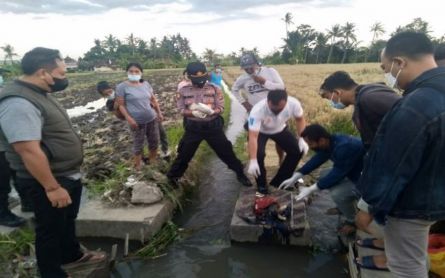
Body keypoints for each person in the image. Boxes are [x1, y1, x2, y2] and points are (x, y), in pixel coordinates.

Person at [0, 47, 106, 277]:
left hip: (65, 174)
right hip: (48, 180)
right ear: (43, 73)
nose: (64, 77)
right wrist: (52, 187)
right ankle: (51, 272)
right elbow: (27, 150)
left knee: (66, 221)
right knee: (49, 230)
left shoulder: (40, 93)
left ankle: (72, 256)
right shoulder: (18, 102)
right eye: (62, 73)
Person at [358, 31, 445, 278]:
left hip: (415, 202)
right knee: (415, 255)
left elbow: (393, 167)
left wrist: (369, 206)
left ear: (400, 62)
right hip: (436, 193)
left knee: (406, 266)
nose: (388, 75)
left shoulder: (416, 105)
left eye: (386, 68)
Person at [319, 68, 401, 270]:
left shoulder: (368, 101)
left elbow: (407, 126)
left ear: (337, 92)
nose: (330, 101)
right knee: (384, 215)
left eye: (328, 96)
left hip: (397, 166)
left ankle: (393, 259)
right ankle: (385, 244)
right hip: (389, 163)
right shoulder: (369, 93)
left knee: (392, 216)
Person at [167, 62, 251, 187]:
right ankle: (173, 177)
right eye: (197, 79)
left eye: (202, 77)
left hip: (213, 127)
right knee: (184, 154)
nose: (200, 81)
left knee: (226, 152)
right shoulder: (183, 90)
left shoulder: (214, 88)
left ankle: (240, 173)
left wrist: (213, 112)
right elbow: (180, 109)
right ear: (189, 77)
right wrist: (192, 113)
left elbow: (221, 107)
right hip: (193, 128)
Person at [280, 124, 364, 233]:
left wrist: (311, 189)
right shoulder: (332, 142)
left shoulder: (345, 147)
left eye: (310, 143)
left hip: (366, 180)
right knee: (324, 175)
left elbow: (336, 174)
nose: (310, 147)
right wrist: (297, 175)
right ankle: (345, 206)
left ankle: (352, 221)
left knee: (337, 194)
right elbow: (317, 159)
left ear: (322, 140)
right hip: (352, 172)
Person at [247, 89, 308, 195]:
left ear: (286, 101)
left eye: (279, 110)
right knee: (258, 155)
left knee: (297, 150)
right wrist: (253, 160)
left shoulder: (293, 104)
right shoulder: (257, 110)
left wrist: (302, 138)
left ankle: (280, 181)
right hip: (261, 131)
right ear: (268, 101)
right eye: (273, 110)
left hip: (280, 129)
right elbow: (253, 137)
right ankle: (262, 185)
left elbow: (300, 119)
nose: (276, 112)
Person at [319, 70, 401, 149]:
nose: (331, 102)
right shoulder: (364, 98)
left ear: (337, 92)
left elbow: (406, 118)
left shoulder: (369, 97)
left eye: (328, 98)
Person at [232, 53, 286, 164]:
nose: (248, 70)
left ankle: (281, 159)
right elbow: (234, 90)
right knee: (258, 144)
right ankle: (258, 162)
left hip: (275, 113)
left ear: (257, 64)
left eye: (250, 67)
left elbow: (281, 87)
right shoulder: (243, 79)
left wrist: (264, 82)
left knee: (280, 140)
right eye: (245, 68)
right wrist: (245, 103)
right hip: (257, 115)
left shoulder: (270, 72)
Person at [97, 80, 170, 158]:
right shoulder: (110, 103)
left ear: (112, 88)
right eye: (106, 94)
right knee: (139, 141)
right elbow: (120, 117)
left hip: (150, 115)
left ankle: (165, 151)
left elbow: (148, 100)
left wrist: (158, 112)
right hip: (135, 122)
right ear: (103, 95)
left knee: (161, 133)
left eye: (110, 91)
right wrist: (116, 107)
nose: (109, 94)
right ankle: (143, 159)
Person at [115, 63, 163, 169]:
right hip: (137, 121)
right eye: (131, 71)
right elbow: (121, 105)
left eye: (136, 71)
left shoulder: (146, 84)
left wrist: (159, 112)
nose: (134, 73)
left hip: (151, 118)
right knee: (138, 144)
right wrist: (129, 118)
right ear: (127, 72)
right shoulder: (122, 87)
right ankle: (138, 166)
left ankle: (152, 161)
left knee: (154, 141)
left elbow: (153, 100)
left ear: (141, 73)